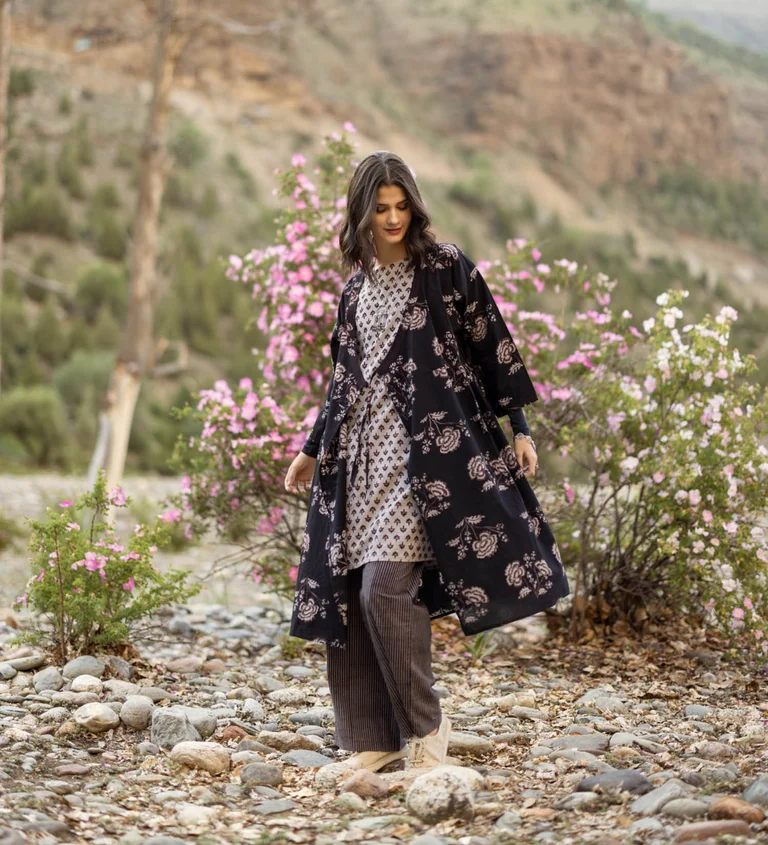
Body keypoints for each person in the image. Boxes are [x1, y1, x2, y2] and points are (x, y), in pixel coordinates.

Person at [284, 151, 569, 776]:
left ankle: (426, 729)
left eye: (401, 206)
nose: (392, 219)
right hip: (360, 461)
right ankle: (374, 740)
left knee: (387, 587)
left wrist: (516, 428)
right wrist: (312, 449)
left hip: (430, 463)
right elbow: (343, 381)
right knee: (355, 596)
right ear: (361, 214)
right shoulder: (354, 290)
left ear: (415, 204)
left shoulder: (445, 268)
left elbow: (491, 344)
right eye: (380, 209)